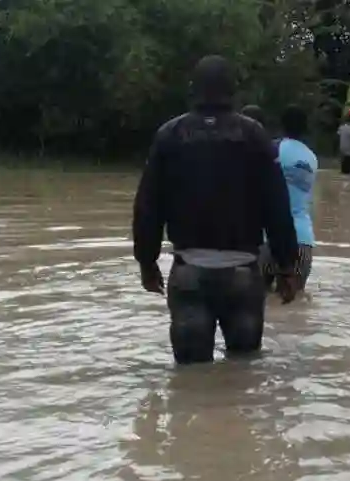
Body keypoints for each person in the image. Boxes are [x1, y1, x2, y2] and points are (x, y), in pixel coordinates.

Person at [131, 55, 299, 365]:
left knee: (190, 379)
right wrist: (287, 266)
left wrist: (146, 260)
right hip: (243, 275)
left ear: (193, 90)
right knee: (243, 378)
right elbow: (277, 206)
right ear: (233, 92)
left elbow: (147, 206)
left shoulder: (170, 135)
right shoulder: (255, 136)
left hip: (188, 273)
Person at [259, 104, 318, 293]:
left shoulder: (272, 149)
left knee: (260, 303)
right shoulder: (312, 158)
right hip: (303, 240)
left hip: (270, 239)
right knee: (293, 306)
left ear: (281, 125)